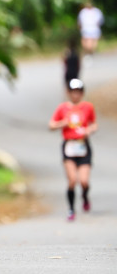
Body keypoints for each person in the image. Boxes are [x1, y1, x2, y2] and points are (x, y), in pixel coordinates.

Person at [48, 78, 98, 221]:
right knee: (72, 180)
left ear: (82, 93)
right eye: (73, 92)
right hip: (69, 147)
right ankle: (71, 209)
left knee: (84, 181)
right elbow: (51, 125)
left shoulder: (88, 107)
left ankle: (85, 196)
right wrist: (62, 124)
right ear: (68, 93)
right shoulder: (62, 108)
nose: (76, 95)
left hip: (83, 146)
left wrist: (89, 130)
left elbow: (94, 124)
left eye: (78, 92)